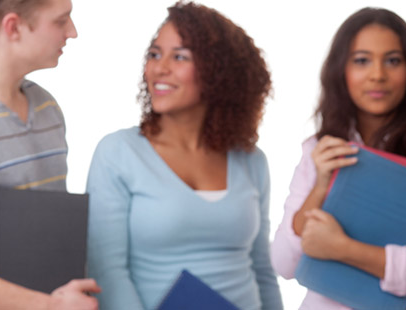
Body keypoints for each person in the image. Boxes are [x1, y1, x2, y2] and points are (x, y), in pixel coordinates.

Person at [85, 2, 282, 309]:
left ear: (218, 72)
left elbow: (262, 269)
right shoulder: (119, 153)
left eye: (179, 57)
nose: (160, 68)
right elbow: (108, 272)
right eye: (154, 54)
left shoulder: (251, 160)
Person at [270, 7, 406, 310]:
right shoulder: (319, 149)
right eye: (361, 60)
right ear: (342, 70)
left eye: (392, 60)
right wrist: (321, 186)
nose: (377, 75)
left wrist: (343, 249)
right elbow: (284, 263)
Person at [0, 0, 101, 309]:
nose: (73, 32)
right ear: (13, 27)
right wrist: (48, 305)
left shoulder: (46, 106)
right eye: (61, 21)